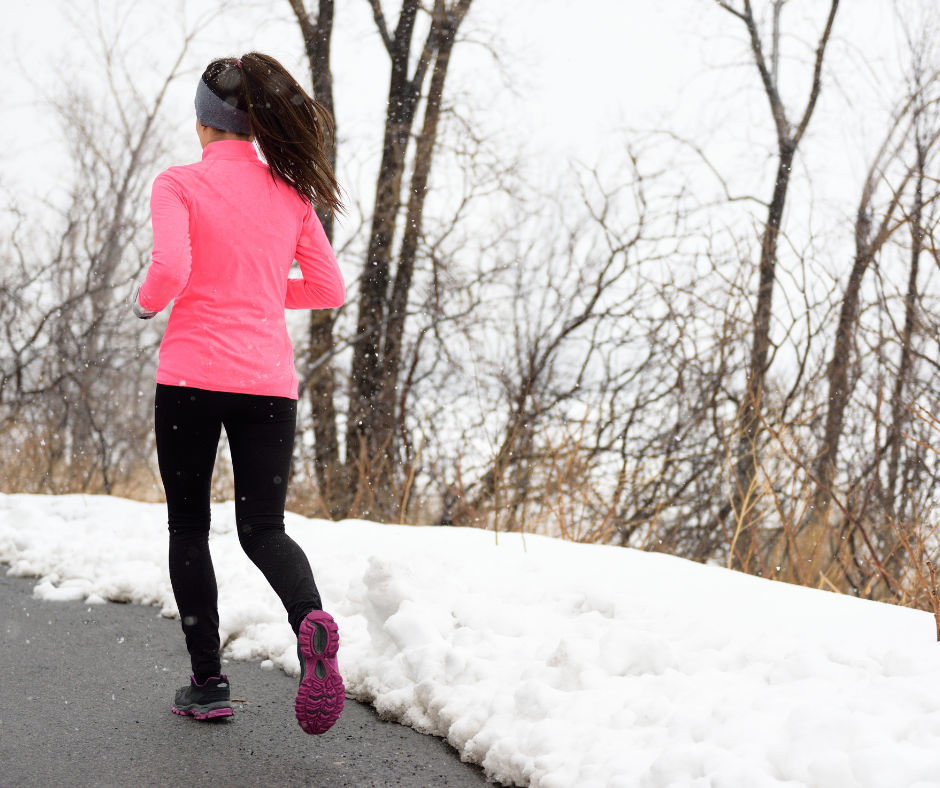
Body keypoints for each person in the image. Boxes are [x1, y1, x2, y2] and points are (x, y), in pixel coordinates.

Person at [133, 53, 346, 735]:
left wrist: (147, 303)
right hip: (267, 387)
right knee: (264, 529)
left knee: (188, 525)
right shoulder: (290, 193)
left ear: (203, 123)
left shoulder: (180, 184)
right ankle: (309, 619)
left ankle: (208, 682)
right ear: (252, 127)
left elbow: (170, 268)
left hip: (192, 379)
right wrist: (261, 290)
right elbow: (328, 289)